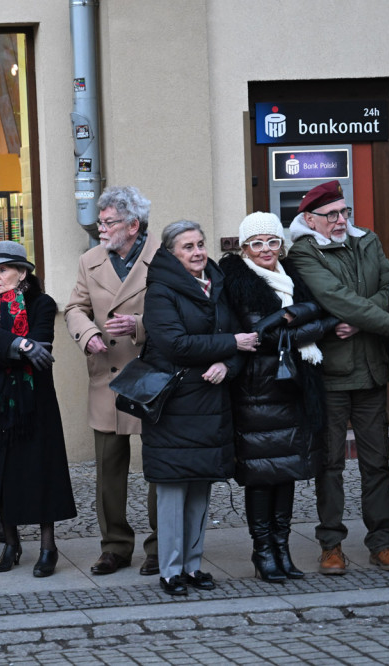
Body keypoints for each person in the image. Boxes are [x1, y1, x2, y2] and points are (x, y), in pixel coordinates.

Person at [287, 179, 389, 574]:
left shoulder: (367, 241)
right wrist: (383, 323)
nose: (341, 220)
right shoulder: (303, 251)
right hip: (332, 375)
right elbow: (333, 297)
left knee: (377, 462)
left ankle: (382, 542)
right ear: (310, 219)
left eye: (345, 212)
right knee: (330, 464)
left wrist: (362, 323)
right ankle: (331, 545)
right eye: (332, 215)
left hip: (372, 369)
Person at [220, 212, 336, 583]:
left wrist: (295, 317)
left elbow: (322, 314)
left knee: (286, 470)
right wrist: (304, 320)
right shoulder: (238, 280)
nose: (266, 250)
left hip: (293, 387)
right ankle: (263, 551)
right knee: (261, 474)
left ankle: (283, 549)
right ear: (245, 248)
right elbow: (263, 335)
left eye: (272, 242)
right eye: (257, 243)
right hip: (258, 390)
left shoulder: (291, 276)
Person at [141, 220, 252, 596]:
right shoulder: (159, 292)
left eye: (201, 244)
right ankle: (170, 571)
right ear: (172, 255)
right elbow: (176, 344)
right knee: (173, 489)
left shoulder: (217, 285)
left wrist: (227, 363)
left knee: (201, 489)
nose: (198, 252)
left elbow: (242, 345)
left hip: (211, 403)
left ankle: (192, 566)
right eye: (188, 246)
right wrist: (228, 344)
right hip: (175, 405)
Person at [0, 241, 77, 578]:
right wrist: (18, 346)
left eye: (3, 269)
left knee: (40, 469)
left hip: (35, 401)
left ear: (22, 272)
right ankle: (11, 543)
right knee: (0, 469)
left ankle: (48, 546)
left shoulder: (42, 303)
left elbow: (43, 345)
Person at [64, 185, 160, 576]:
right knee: (108, 470)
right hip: (108, 375)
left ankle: (161, 545)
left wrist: (138, 325)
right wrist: (87, 334)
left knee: (159, 467)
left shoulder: (164, 256)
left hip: (152, 376)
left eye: (108, 222)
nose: (100, 229)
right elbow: (74, 307)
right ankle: (115, 546)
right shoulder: (91, 260)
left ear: (133, 225)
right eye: (99, 221)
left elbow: (185, 313)